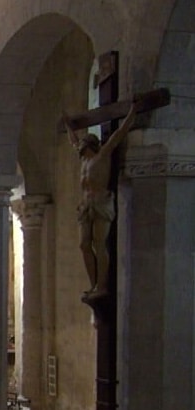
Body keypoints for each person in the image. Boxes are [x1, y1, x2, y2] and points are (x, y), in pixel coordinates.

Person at [62, 100, 137, 300]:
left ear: (90, 144)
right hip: (86, 206)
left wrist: (131, 113)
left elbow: (118, 135)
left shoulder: (102, 156)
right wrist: (69, 125)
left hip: (101, 202)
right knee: (84, 244)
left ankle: (102, 285)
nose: (79, 147)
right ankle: (94, 283)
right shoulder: (84, 160)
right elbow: (73, 141)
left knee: (99, 242)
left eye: (83, 144)